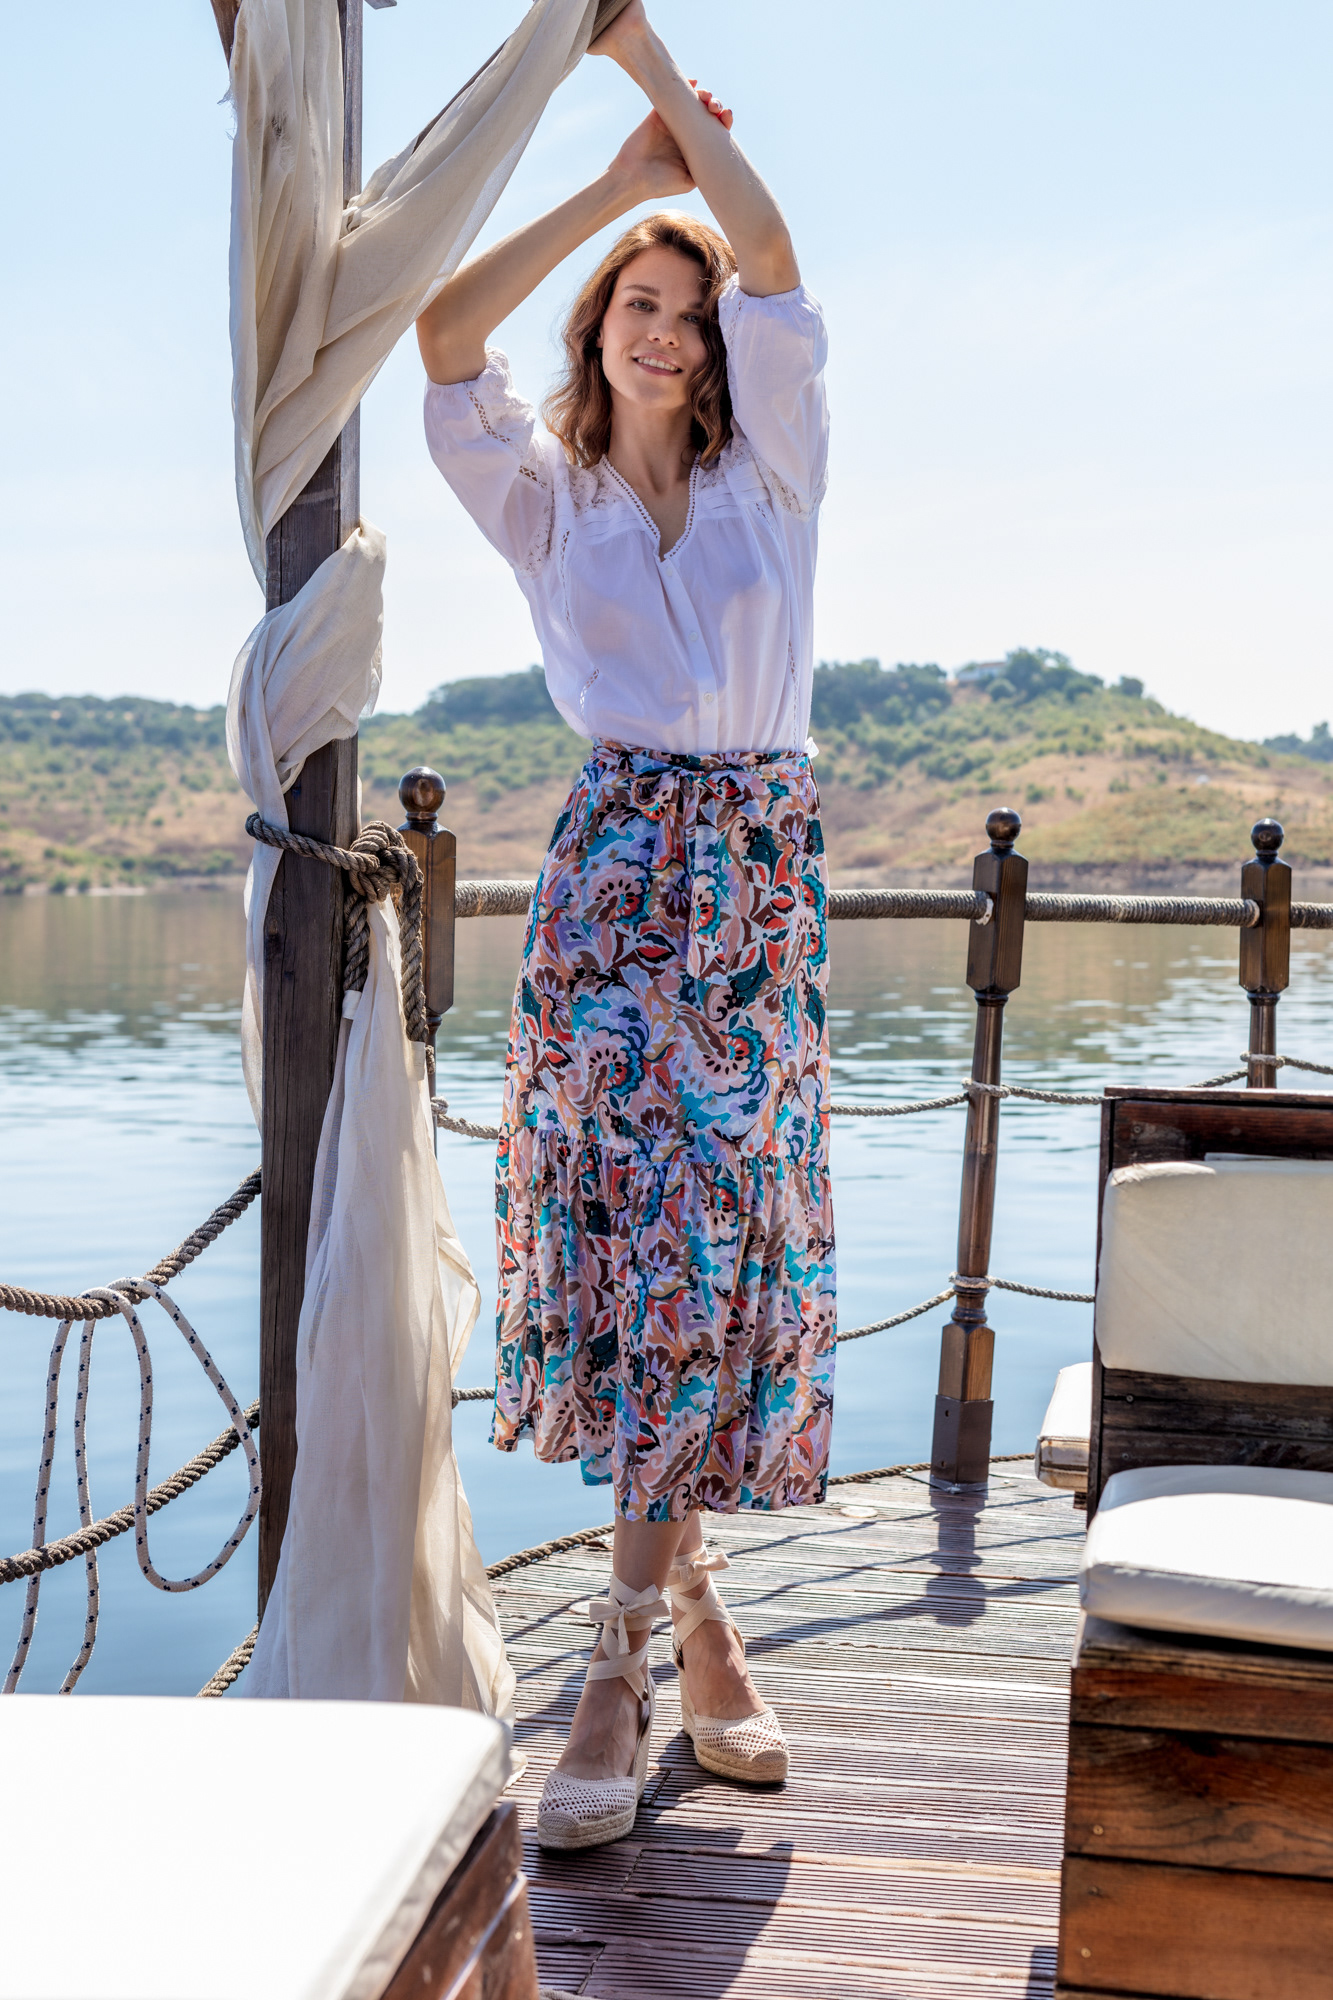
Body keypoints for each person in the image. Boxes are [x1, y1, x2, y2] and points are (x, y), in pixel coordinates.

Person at [417, 0, 833, 1851]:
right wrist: (609, 186)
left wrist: (648, 62)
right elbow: (441, 340)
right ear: (598, 328)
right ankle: (674, 1626)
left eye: (688, 313)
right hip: (606, 894)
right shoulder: (547, 500)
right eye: (634, 307)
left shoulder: (775, 472)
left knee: (713, 1250)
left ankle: (627, 1652)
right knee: (637, 1250)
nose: (666, 331)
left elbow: (775, 252)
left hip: (749, 888)